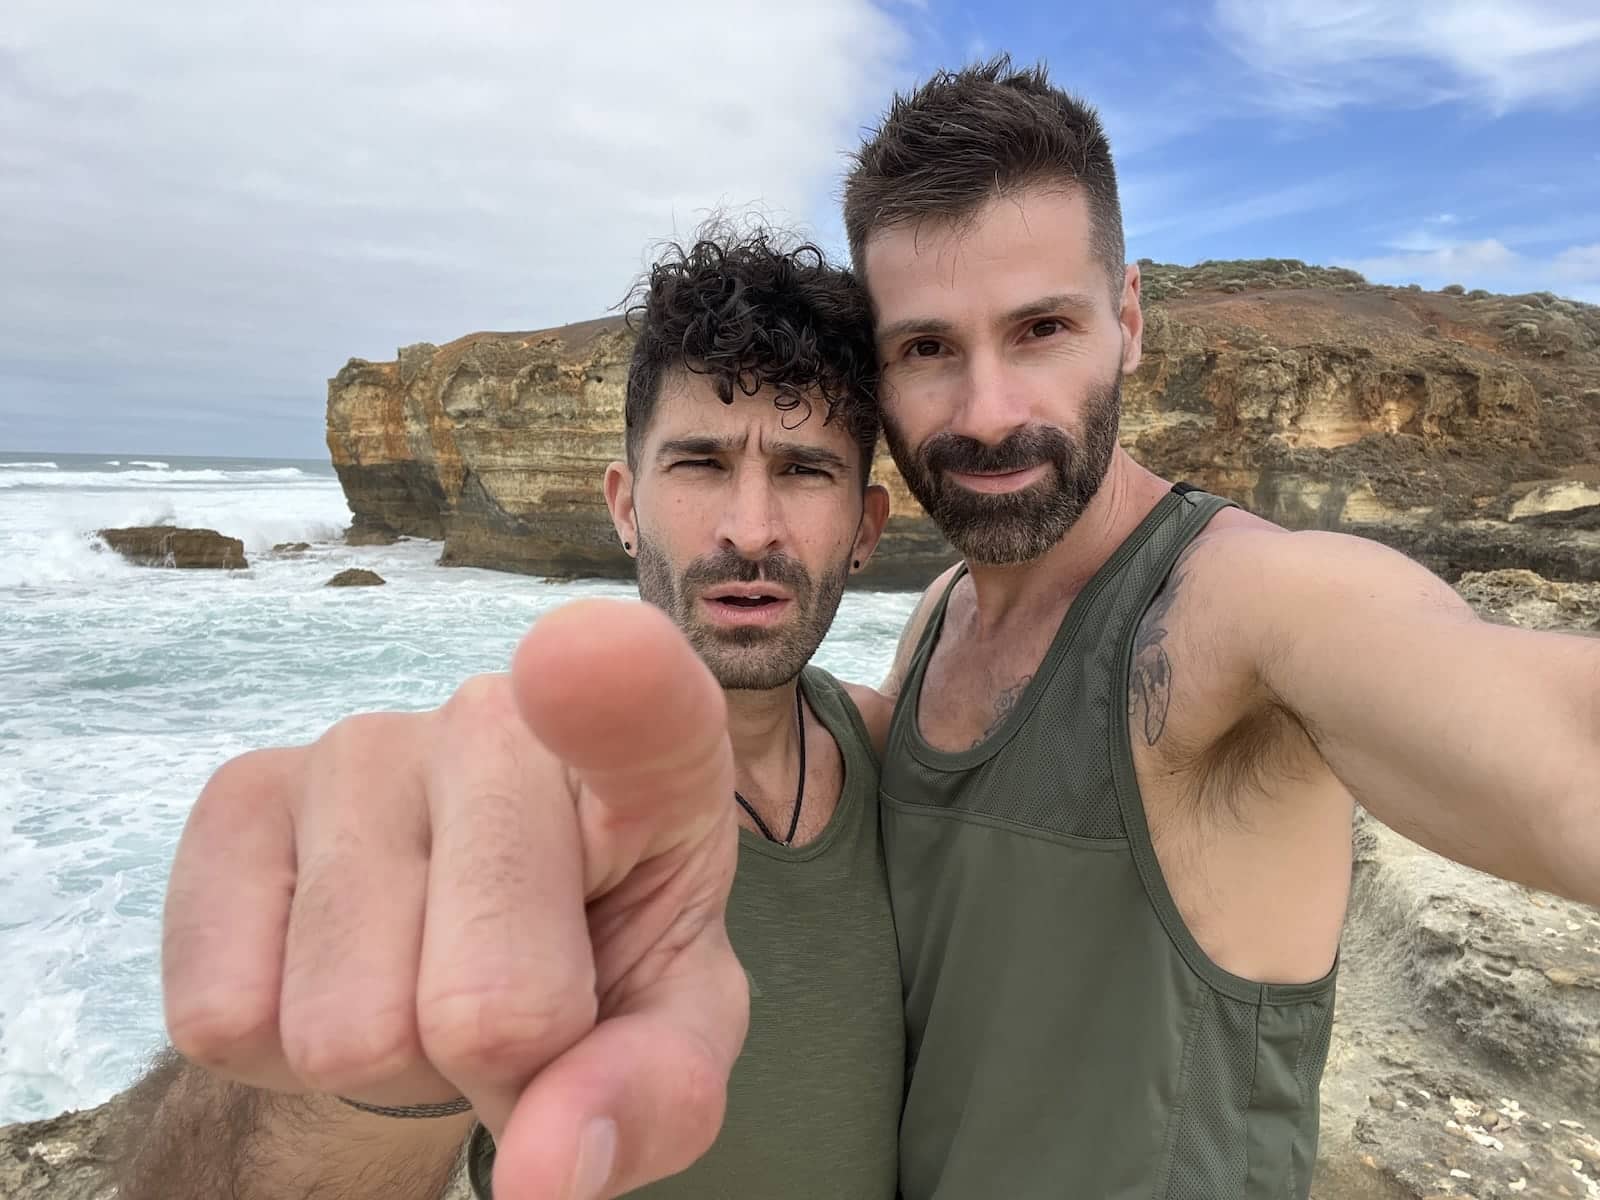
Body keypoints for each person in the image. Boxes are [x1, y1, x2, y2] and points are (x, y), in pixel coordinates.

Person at [844, 55, 1600, 1199]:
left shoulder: (1236, 607)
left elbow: (1555, 750)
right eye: (926, 348)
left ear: (1130, 320)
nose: (986, 412)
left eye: (1041, 328)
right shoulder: (937, 614)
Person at [114, 227, 903, 1200]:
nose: (749, 528)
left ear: (865, 530)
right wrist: (378, 1072)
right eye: (698, 463)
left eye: (802, 470)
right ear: (622, 507)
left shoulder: (888, 763)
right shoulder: (535, 803)